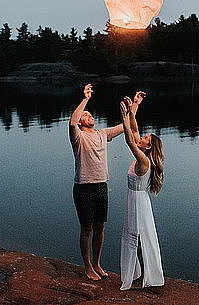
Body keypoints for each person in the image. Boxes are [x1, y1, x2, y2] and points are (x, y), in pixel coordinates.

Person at [69, 83, 144, 281]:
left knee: (100, 227)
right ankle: (87, 268)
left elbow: (124, 126)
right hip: (84, 187)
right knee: (87, 228)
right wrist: (85, 99)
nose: (89, 116)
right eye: (85, 116)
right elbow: (71, 123)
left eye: (90, 114)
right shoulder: (78, 136)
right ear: (81, 123)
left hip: (102, 186)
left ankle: (97, 264)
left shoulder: (102, 134)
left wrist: (135, 106)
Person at [119, 95, 165, 290]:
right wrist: (133, 108)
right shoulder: (144, 155)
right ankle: (140, 272)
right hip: (136, 199)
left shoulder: (144, 161)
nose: (142, 137)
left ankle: (146, 275)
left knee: (138, 238)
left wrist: (123, 118)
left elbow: (130, 141)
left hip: (138, 202)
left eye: (145, 139)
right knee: (136, 237)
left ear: (148, 147)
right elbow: (135, 130)